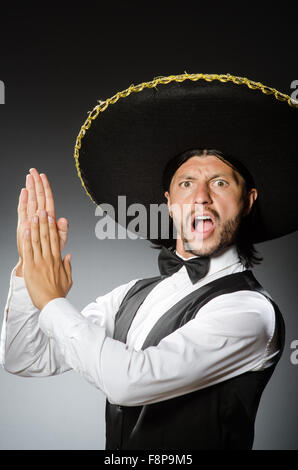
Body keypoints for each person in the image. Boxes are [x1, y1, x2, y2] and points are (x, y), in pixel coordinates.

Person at [1, 73, 297, 450]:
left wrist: (53, 301)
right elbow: (26, 358)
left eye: (221, 183)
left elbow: (129, 382)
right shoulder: (130, 296)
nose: (201, 197)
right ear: (169, 203)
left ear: (248, 201)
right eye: (186, 183)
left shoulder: (251, 311)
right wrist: (31, 270)